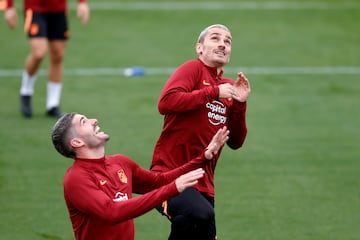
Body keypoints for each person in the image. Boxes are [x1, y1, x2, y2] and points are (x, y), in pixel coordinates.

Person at [51, 112, 230, 240]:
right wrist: (173, 188)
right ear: (77, 142)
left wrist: (203, 157)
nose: (94, 120)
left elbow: (158, 181)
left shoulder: (120, 163)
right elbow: (112, 212)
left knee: (189, 223)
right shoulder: (76, 179)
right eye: (84, 122)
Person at [150, 24, 251, 240]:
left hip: (204, 185)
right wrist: (213, 92)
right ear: (199, 48)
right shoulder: (192, 70)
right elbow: (165, 103)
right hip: (169, 174)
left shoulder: (228, 86)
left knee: (193, 227)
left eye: (228, 41)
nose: (223, 44)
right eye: (215, 38)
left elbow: (236, 141)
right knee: (200, 214)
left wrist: (240, 103)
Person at [3, 0, 90, 118]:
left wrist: (82, 3)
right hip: (34, 7)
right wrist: (9, 6)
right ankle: (26, 91)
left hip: (58, 7)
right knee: (39, 53)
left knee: (58, 54)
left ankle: (52, 104)